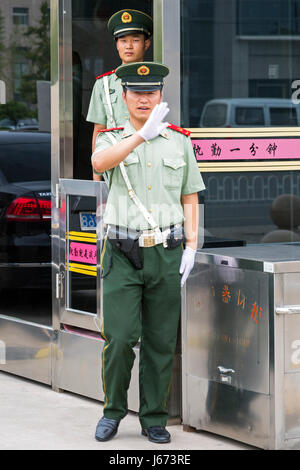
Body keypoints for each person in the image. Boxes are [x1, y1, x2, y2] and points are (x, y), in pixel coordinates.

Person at [91, 62, 205, 444]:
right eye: (137, 93)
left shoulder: (179, 141)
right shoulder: (111, 137)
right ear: (123, 97)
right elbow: (98, 164)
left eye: (151, 92)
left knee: (159, 341)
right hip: (122, 252)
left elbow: (189, 195)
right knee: (121, 338)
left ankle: (153, 417)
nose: (144, 98)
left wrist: (192, 245)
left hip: (167, 253)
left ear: (161, 96)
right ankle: (112, 411)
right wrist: (141, 137)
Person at [86, 9, 153, 180]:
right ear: (116, 45)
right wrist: (97, 177)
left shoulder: (157, 81)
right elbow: (99, 130)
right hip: (116, 169)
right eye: (123, 41)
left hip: (149, 165)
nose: (128, 46)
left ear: (146, 44)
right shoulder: (103, 84)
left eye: (135, 40)